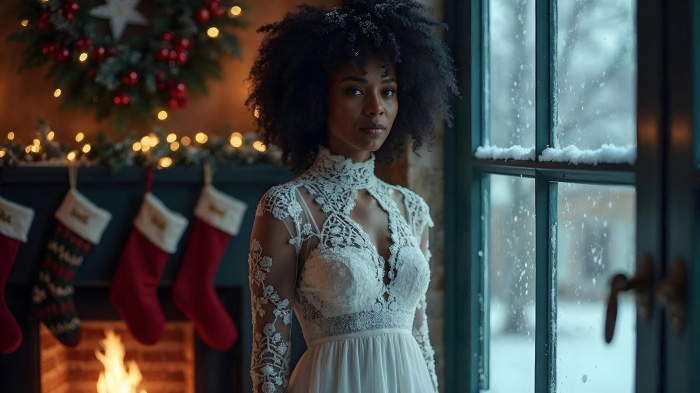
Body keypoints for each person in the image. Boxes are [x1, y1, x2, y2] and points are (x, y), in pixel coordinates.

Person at [245, 0, 459, 392]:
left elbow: (420, 335)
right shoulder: (286, 208)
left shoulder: (412, 209)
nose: (376, 107)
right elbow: (269, 358)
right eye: (355, 90)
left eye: (388, 91)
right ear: (314, 98)